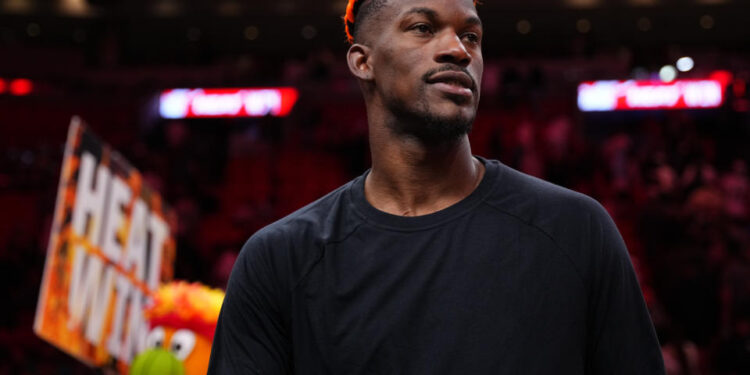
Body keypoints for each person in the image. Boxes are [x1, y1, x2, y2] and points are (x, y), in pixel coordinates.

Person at [207, 0, 666, 373]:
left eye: (471, 35)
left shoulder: (575, 229)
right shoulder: (279, 259)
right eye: (423, 28)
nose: (459, 50)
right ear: (363, 61)